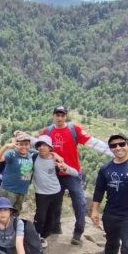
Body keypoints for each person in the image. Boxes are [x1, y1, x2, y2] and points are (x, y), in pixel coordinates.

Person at [40, 105, 112, 245]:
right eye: (57, 115)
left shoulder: (74, 129)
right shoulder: (47, 131)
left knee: (79, 203)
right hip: (55, 174)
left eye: (62, 115)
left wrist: (112, 151)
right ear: (53, 115)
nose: (60, 118)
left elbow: (92, 142)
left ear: (65, 116)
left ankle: (78, 232)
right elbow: (38, 145)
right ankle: (55, 228)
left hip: (73, 174)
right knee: (55, 203)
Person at [32, 135, 78, 243]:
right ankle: (34, 236)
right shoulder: (33, 156)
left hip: (56, 192)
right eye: (39, 145)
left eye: (45, 145)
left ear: (50, 148)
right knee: (40, 217)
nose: (41, 148)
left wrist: (64, 168)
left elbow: (75, 173)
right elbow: (23, 147)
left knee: (52, 218)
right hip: (41, 193)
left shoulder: (56, 160)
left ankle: (43, 237)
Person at [0, 132, 36, 214]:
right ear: (16, 144)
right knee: (5, 214)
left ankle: (13, 226)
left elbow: (44, 150)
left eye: (26, 144)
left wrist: (55, 155)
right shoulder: (12, 153)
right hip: (9, 190)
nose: (24, 146)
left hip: (22, 191)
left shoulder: (30, 154)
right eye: (21, 144)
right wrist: (6, 146)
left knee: (16, 214)